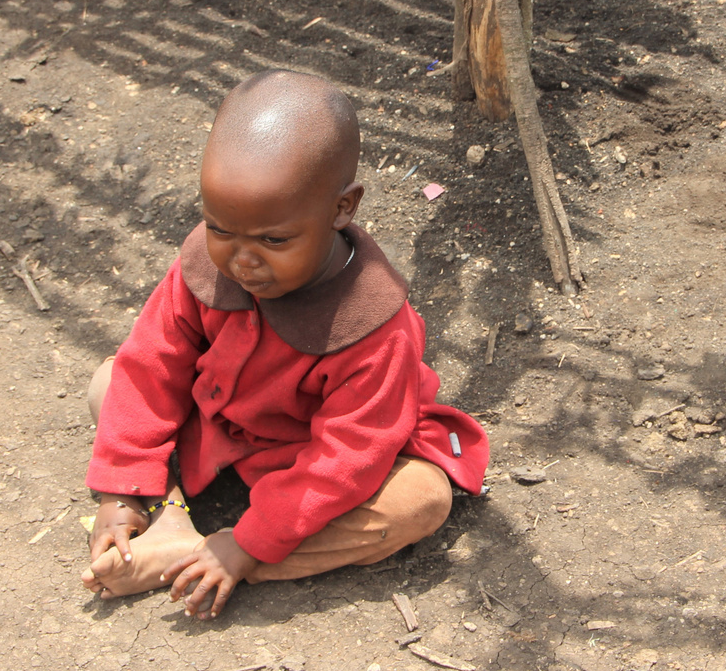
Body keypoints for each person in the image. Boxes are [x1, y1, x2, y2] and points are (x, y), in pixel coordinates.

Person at [80, 70, 487, 620]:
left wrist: (248, 544)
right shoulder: (204, 266)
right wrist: (120, 489)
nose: (242, 259)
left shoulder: (374, 326)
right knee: (111, 380)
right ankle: (166, 511)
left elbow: (348, 458)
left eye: (274, 240)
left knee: (420, 501)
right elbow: (152, 367)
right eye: (221, 228)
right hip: (221, 425)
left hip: (320, 460)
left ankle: (205, 556)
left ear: (343, 209)